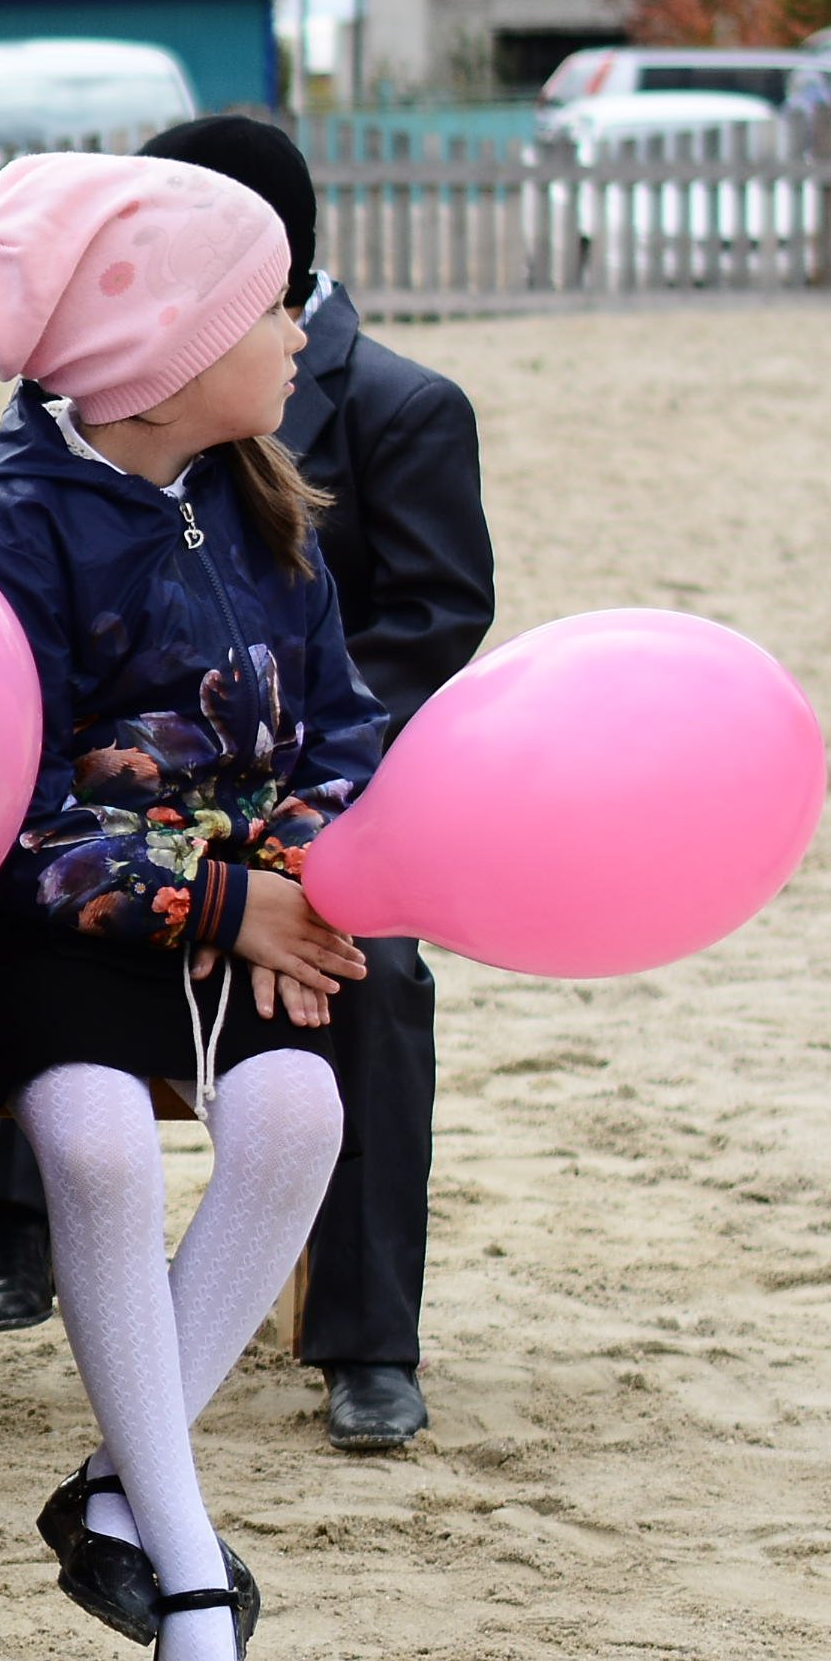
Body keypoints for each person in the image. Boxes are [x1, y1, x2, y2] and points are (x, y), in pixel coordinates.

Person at [0, 150, 386, 1661]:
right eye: (270, 304)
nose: (303, 334)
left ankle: (116, 1485)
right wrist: (217, 901)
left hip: (245, 904)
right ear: (163, 353)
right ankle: (189, 1581)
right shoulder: (12, 523)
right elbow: (8, 804)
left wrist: (308, 862)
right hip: (59, 924)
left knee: (298, 1121)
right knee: (98, 1148)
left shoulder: (260, 490)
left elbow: (337, 721)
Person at [139, 113, 488, 1454]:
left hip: (324, 792)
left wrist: (282, 801)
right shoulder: (87, 410)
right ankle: (18, 1250)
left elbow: (435, 623)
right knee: (22, 888)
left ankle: (368, 1337)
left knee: (381, 974)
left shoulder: (398, 405)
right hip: (143, 795)